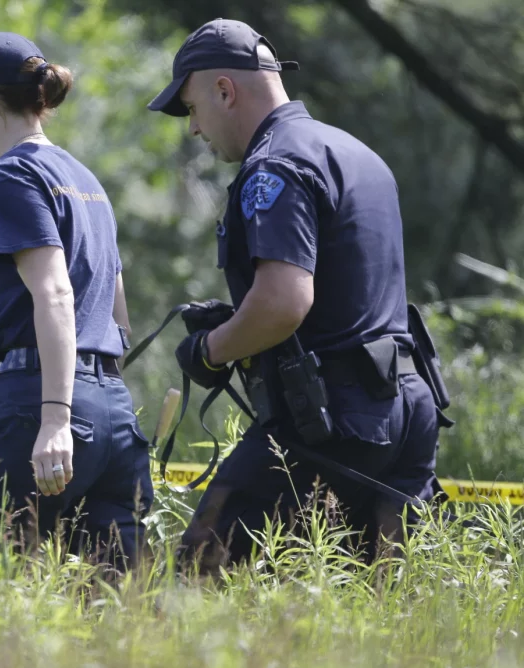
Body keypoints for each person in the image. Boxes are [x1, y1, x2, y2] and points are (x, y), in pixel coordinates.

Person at [147, 18, 445, 572]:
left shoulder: (275, 165)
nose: (193, 128)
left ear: (224, 90)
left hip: (332, 421)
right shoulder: (353, 151)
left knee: (193, 579)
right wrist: (243, 322)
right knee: (366, 606)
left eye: (191, 108)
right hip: (407, 409)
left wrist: (212, 349)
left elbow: (284, 303)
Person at [0, 31, 154, 568]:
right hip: (112, 412)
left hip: (41, 403)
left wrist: (55, 418)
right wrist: (97, 397)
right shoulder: (85, 179)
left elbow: (53, 293)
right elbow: (117, 306)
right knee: (109, 598)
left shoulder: (8, 174)